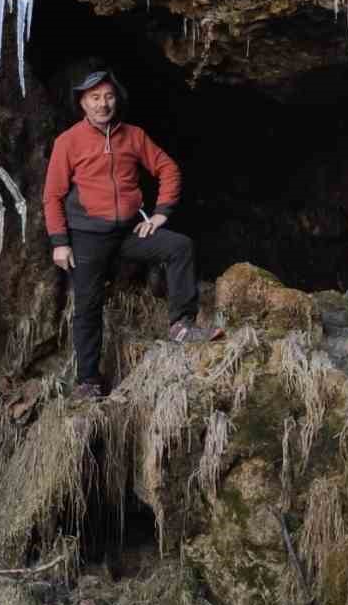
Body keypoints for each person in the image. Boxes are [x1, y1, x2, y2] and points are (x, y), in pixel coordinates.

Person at [43, 67, 220, 399]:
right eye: (94, 98)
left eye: (108, 96)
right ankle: (89, 381)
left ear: (116, 99)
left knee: (179, 246)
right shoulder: (68, 142)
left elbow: (167, 168)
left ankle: (181, 324)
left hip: (128, 231)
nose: (102, 104)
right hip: (87, 238)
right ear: (82, 103)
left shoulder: (134, 136)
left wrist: (160, 214)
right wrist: (59, 242)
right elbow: (52, 195)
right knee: (88, 306)